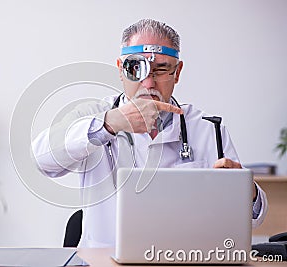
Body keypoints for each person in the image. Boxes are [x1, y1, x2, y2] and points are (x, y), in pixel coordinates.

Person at [32, 19, 267, 248]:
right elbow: (42, 160)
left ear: (177, 72)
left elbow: (252, 219)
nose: (148, 83)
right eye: (135, 68)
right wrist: (110, 125)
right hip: (103, 260)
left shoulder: (206, 128)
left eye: (161, 69)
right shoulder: (94, 116)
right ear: (120, 70)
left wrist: (248, 190)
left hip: (182, 261)